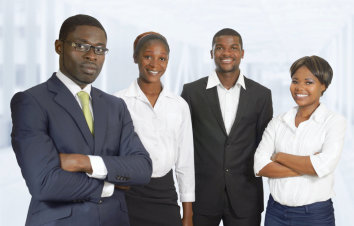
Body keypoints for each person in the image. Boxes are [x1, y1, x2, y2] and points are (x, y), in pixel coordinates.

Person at [10, 14, 152, 226]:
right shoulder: (31, 102)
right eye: (82, 46)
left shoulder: (115, 106)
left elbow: (142, 168)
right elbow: (44, 182)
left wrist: (82, 162)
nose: (92, 56)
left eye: (100, 49)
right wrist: (110, 184)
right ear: (59, 46)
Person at [181, 28, 273, 226]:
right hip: (202, 196)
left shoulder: (261, 95)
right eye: (220, 48)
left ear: (242, 53)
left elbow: (264, 145)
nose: (227, 53)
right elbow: (184, 144)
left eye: (233, 48)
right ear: (212, 53)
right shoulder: (191, 92)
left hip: (245, 196)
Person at [254, 55, 346, 226]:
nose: (299, 88)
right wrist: (309, 166)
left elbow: (324, 165)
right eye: (295, 81)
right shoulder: (278, 122)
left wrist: (279, 156)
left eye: (309, 82)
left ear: (323, 86)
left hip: (314, 216)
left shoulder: (334, 122)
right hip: (275, 213)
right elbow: (259, 166)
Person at [114, 32, 195, 226]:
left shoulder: (179, 105)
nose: (154, 65)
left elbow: (185, 162)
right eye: (147, 56)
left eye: (162, 58)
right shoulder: (117, 102)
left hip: (164, 193)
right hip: (128, 194)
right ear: (136, 57)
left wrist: (188, 214)